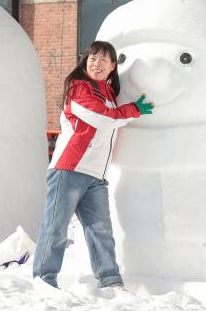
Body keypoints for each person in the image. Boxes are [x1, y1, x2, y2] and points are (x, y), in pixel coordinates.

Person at [32, 40, 154, 289]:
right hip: (69, 169)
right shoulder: (79, 88)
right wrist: (133, 109)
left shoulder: (108, 94)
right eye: (92, 58)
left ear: (112, 66)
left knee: (101, 230)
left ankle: (110, 280)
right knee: (56, 227)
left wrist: (127, 110)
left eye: (103, 59)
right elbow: (102, 119)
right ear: (85, 61)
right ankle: (44, 278)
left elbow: (110, 119)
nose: (97, 63)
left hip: (96, 174)